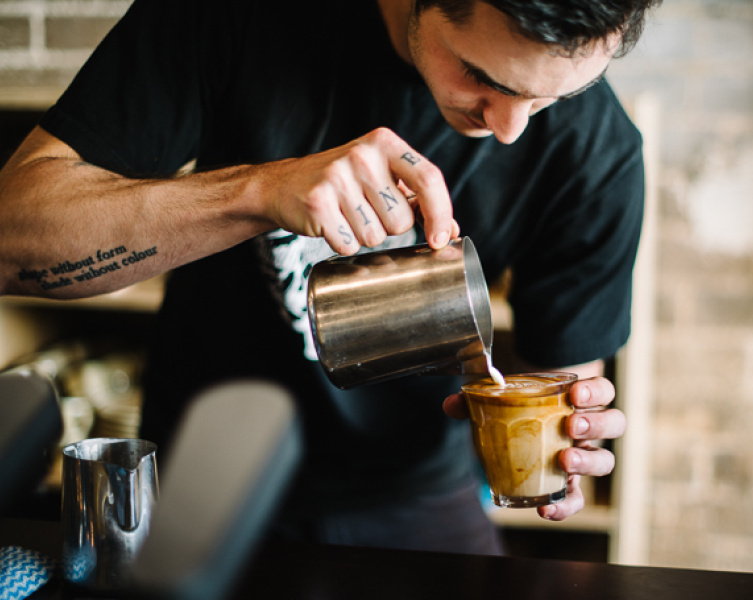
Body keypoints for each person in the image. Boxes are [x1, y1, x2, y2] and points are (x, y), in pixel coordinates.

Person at [0, 0, 659, 555]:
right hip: (201, 467)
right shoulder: (236, 17)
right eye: (481, 76)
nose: (510, 130)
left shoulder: (599, 151)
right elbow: (11, 237)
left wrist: (570, 451)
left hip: (416, 487)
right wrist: (259, 192)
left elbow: (568, 382)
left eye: (552, 98)